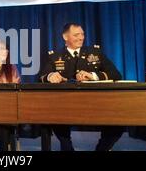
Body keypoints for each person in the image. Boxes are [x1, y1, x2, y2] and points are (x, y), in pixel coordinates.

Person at [40, 23, 123, 151]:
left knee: (118, 124)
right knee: (54, 116)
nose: (81, 38)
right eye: (76, 35)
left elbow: (116, 74)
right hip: (66, 105)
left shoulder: (95, 53)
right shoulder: (55, 56)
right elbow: (41, 76)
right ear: (65, 37)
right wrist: (51, 76)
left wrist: (93, 76)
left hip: (95, 103)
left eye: (82, 34)